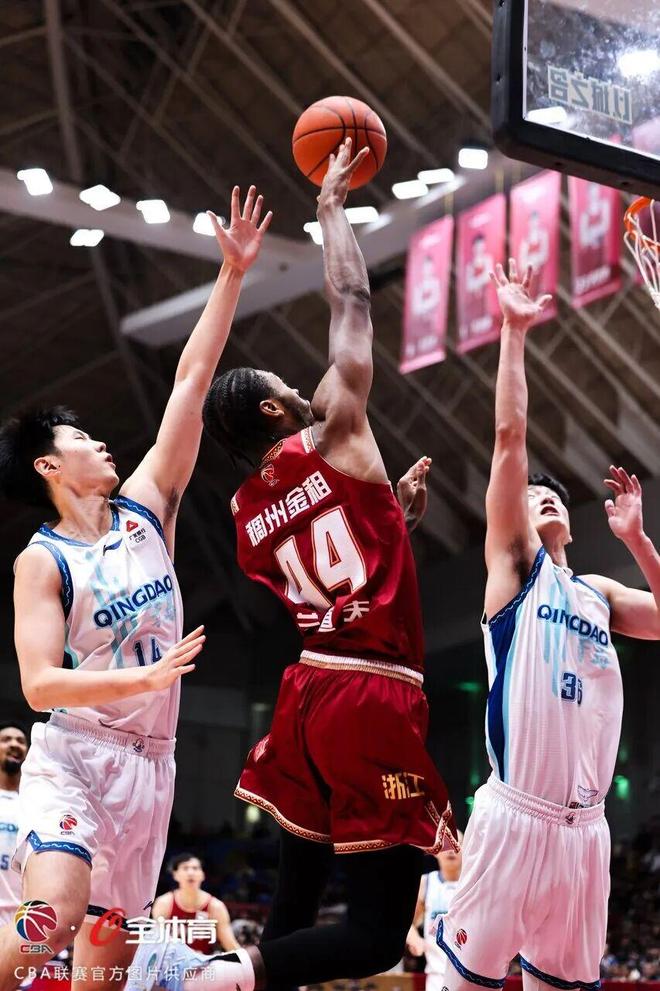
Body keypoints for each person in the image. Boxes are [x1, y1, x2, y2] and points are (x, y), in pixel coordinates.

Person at [129, 137, 458, 991]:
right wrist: (330, 209)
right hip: (371, 691)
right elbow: (352, 299)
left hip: (306, 691)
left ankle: (246, 975)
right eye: (287, 384)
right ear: (277, 410)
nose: (303, 387)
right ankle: (219, 976)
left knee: (295, 901)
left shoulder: (245, 513)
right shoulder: (338, 426)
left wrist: (391, 516)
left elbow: (329, 556)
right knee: (379, 937)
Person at [0, 184, 271, 991]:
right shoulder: (42, 560)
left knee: (105, 969)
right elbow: (40, 683)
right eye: (81, 438)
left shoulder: (148, 509)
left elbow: (191, 382)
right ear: (49, 465)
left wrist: (231, 275)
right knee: (52, 917)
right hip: (76, 757)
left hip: (152, 771)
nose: (101, 443)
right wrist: (146, 678)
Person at [437, 259, 660, 991]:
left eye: (553, 495)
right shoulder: (514, 569)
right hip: (514, 815)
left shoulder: (597, 592)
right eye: (532, 498)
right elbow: (509, 438)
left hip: (586, 832)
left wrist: (638, 543)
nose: (544, 499)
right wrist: (513, 331)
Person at [406, 832, 463, 991]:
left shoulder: (474, 884)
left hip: (468, 974)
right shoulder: (426, 882)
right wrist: (415, 939)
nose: (451, 849)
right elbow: (406, 924)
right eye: (446, 844)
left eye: (457, 844)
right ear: (435, 850)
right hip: (437, 974)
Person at [151, 853, 238, 953]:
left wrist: (245, 960)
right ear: (175, 875)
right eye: (185, 868)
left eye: (195, 868)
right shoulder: (164, 903)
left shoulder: (216, 906)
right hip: (171, 961)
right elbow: (156, 942)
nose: (190, 873)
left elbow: (230, 944)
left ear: (203, 875)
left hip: (204, 961)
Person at [0, 723, 28, 927]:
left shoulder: (36, 805)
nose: (14, 744)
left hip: (22, 921)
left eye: (21, 741)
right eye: (6, 740)